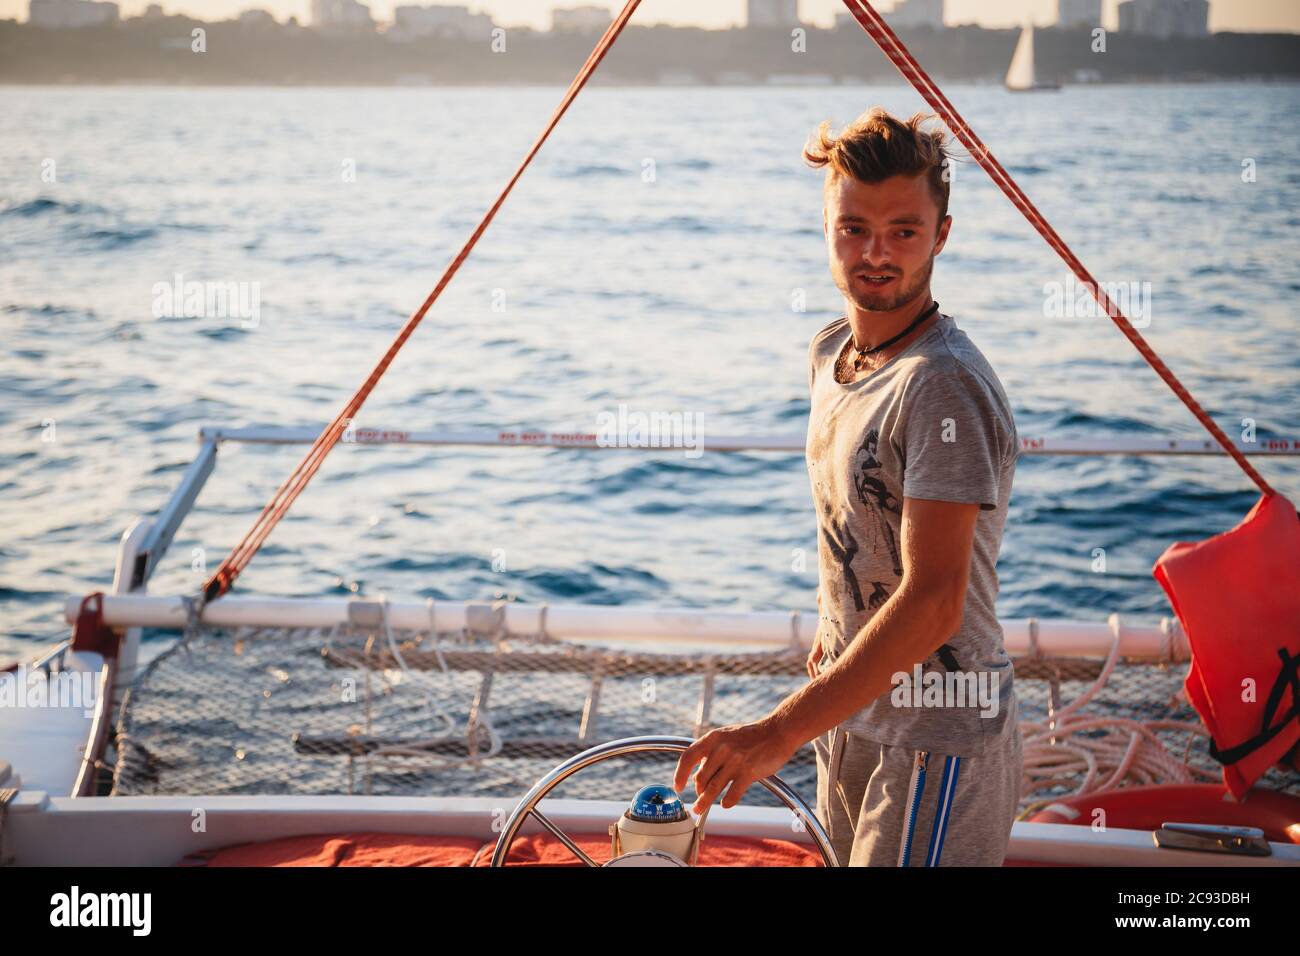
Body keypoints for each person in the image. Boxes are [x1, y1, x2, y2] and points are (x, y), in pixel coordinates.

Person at [673, 107, 1022, 866]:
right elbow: (857, 528)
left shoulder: (943, 387)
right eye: (853, 227)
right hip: (855, 713)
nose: (875, 253)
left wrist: (777, 732)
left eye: (903, 230)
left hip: (937, 738)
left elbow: (935, 603)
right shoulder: (833, 352)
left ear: (943, 234)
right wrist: (834, 656)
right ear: (826, 224)